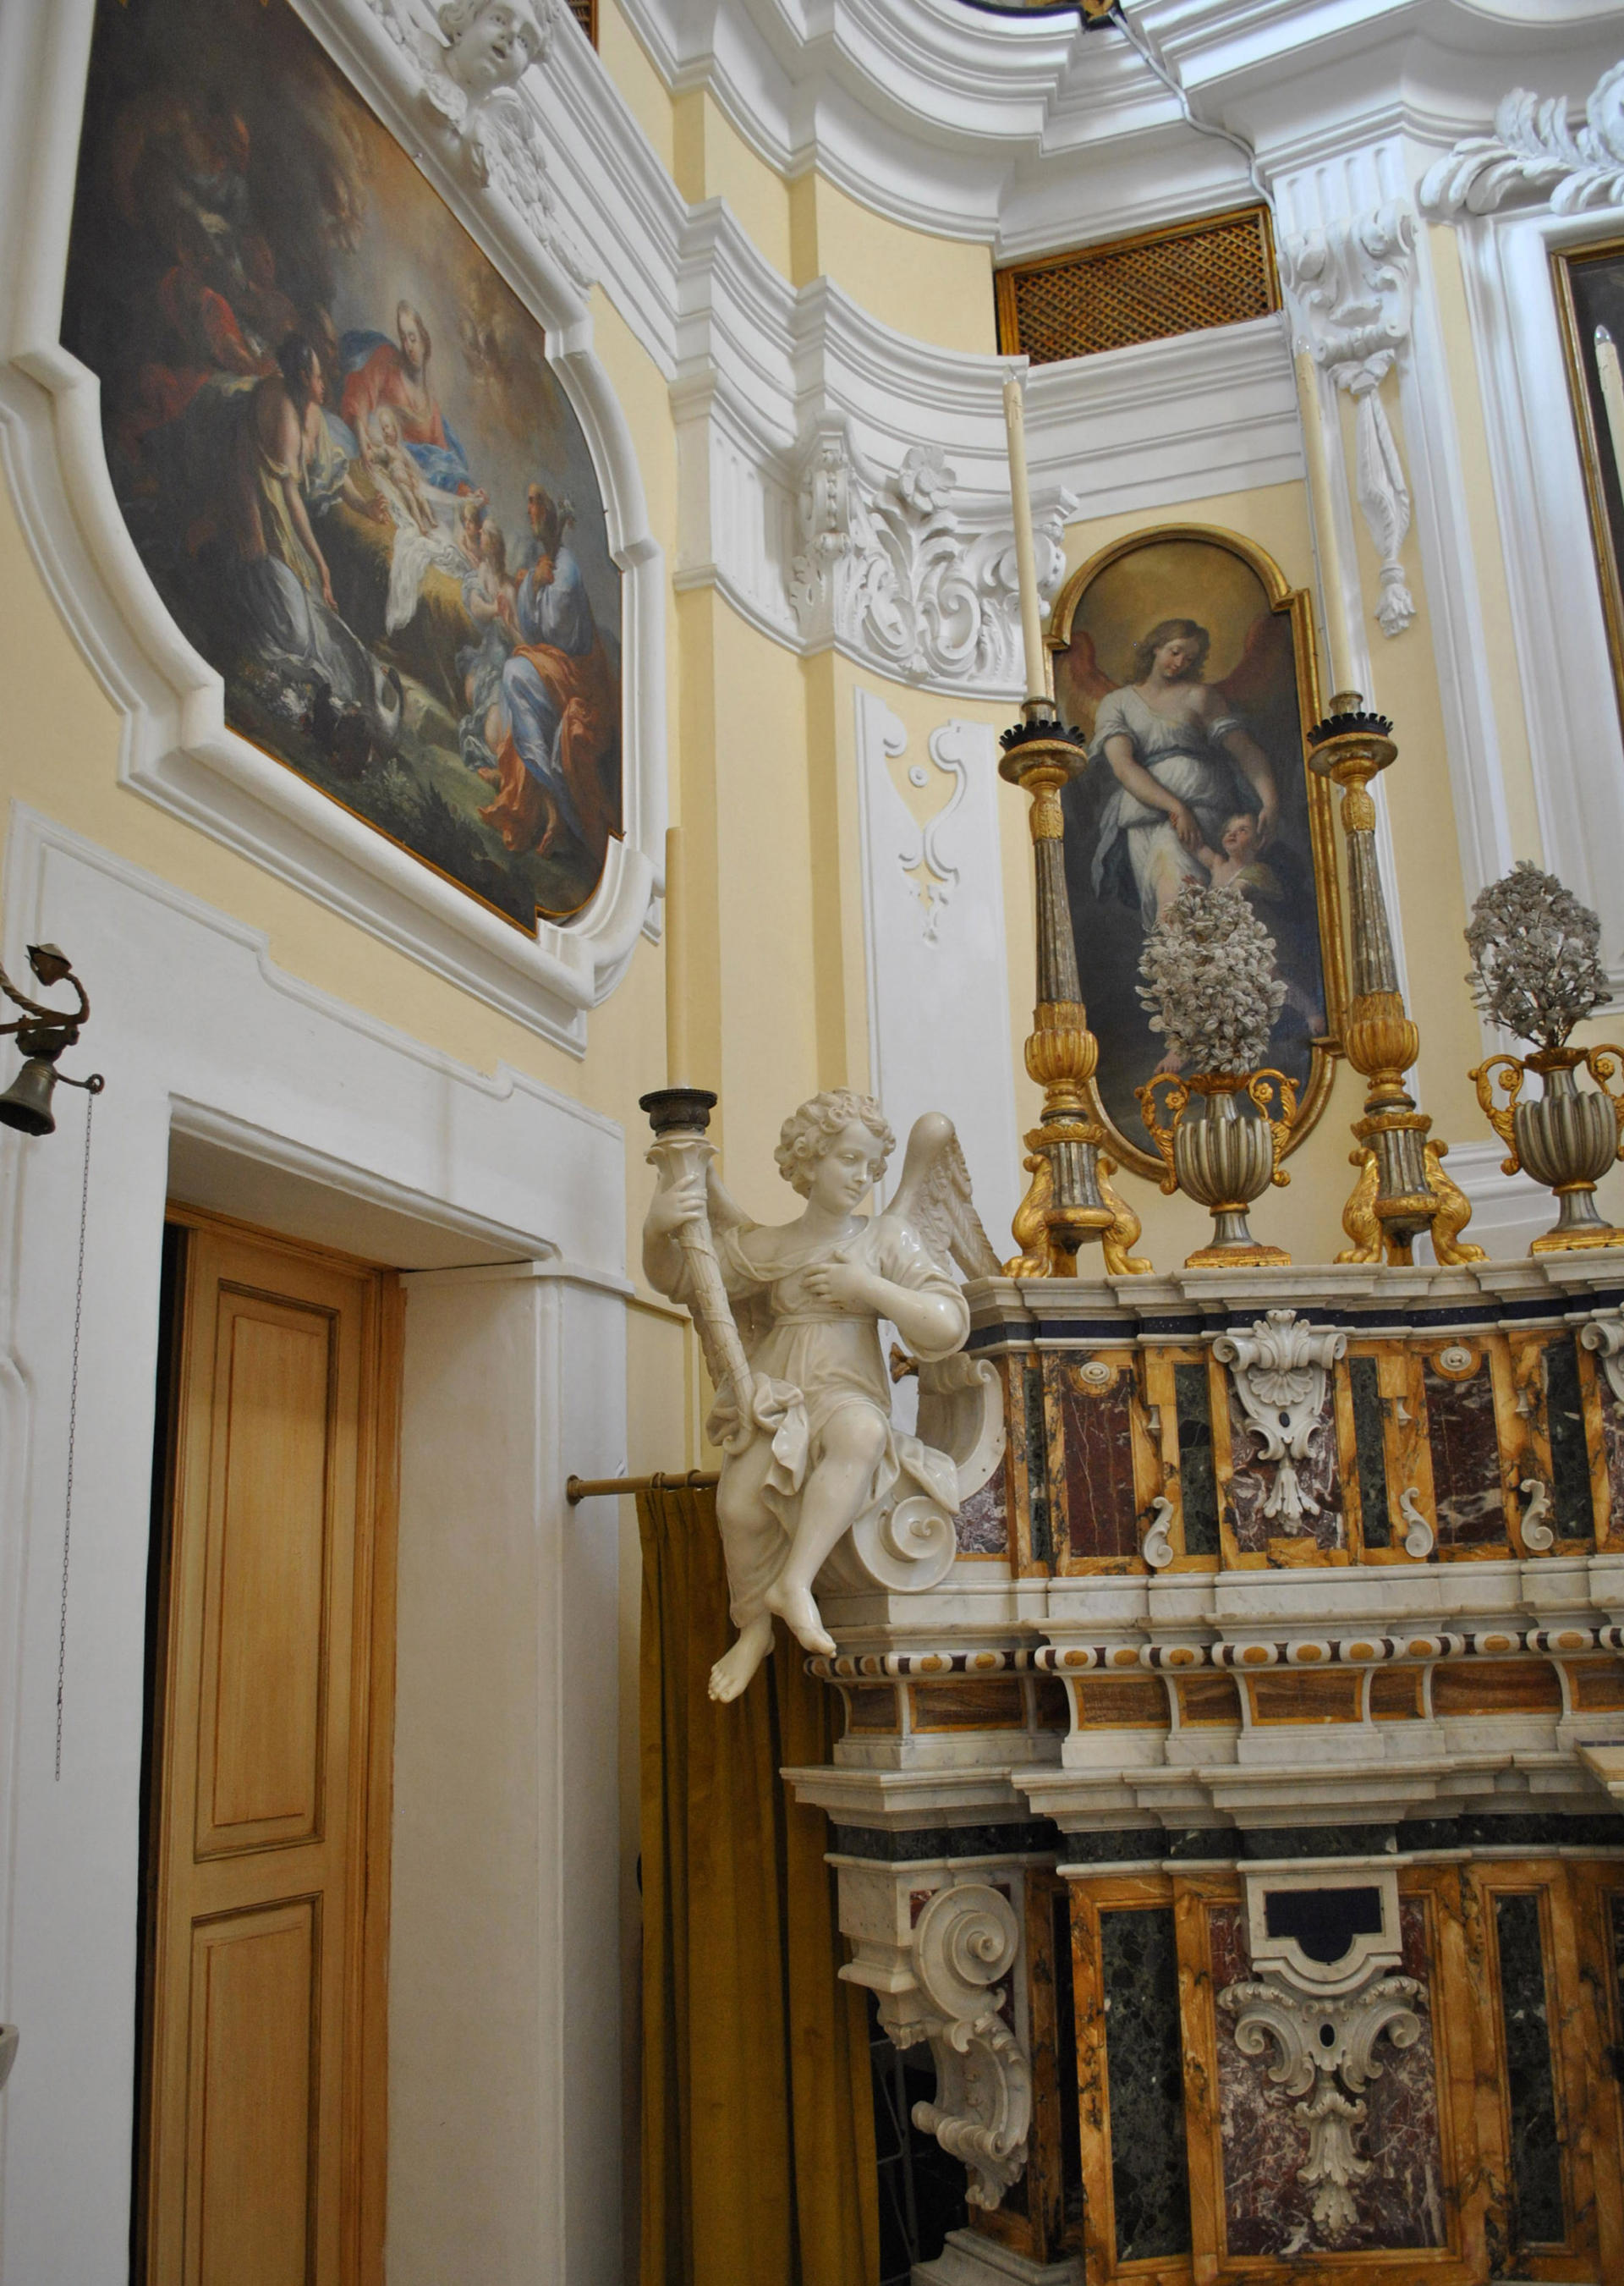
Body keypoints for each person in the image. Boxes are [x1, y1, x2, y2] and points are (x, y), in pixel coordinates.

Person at [642, 1091, 968, 1703]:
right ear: (808, 1160)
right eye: (848, 1159)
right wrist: (658, 1229)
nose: (863, 1177)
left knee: (862, 1435)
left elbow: (947, 1324)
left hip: (847, 1387)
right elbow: (683, 1280)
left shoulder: (885, 1238)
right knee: (739, 1508)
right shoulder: (766, 1247)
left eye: (872, 1167)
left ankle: (793, 1585)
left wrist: (867, 1287)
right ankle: (754, 1629)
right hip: (778, 1393)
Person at [226, 332, 398, 737]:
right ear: (304, 377)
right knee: (296, 630)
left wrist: (365, 507)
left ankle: (365, 691)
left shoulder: (313, 417)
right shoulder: (284, 413)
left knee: (318, 620)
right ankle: (328, 696)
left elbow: (331, 474)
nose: (326, 384)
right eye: (319, 377)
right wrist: (321, 567)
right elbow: (290, 502)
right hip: (265, 527)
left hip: (286, 533)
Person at [1090, 618, 1280, 929]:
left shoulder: (1201, 697)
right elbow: (1123, 766)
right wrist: (1174, 807)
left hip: (1201, 805)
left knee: (1175, 889)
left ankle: (1188, 971)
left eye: (1189, 658)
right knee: (1160, 901)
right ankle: (1176, 973)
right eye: (1175, 652)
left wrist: (1270, 802)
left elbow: (1245, 750)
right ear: (1155, 647)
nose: (1180, 663)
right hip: (1143, 814)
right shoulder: (1118, 703)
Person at [480, 489, 617, 859]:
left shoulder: (567, 568)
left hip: (578, 679)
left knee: (516, 673)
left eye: (538, 502)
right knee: (517, 676)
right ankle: (526, 783)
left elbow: (556, 631)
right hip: (557, 668)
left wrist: (536, 586)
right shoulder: (548, 561)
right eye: (528, 503)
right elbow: (532, 628)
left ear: (554, 514)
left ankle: (548, 793)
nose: (531, 510)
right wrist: (532, 587)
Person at [340, 300, 471, 492]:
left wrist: (463, 490)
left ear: (425, 343)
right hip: (381, 460)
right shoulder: (387, 360)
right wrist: (361, 436)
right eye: (403, 339)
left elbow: (443, 461)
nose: (408, 346)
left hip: (411, 477)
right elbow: (360, 392)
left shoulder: (431, 407)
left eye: (413, 338)